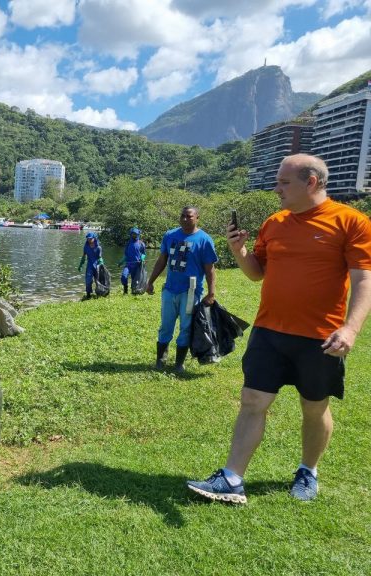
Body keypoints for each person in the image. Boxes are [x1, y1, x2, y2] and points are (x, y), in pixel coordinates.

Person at [187, 154, 371, 504]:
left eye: (284, 182)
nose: (277, 189)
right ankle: (232, 478)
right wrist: (239, 250)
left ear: (311, 182)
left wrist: (351, 329)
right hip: (270, 331)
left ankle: (308, 470)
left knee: (314, 407)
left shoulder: (351, 222)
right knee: (253, 400)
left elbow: (364, 279)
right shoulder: (275, 223)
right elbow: (257, 272)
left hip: (321, 337)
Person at [146, 207, 217, 373]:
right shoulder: (170, 235)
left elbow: (210, 269)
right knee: (166, 326)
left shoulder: (204, 240)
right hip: (170, 290)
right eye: (183, 215)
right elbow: (162, 260)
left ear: (197, 218)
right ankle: (160, 360)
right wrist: (150, 282)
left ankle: (179, 364)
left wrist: (211, 292)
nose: (185, 219)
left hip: (191, 291)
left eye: (189, 216)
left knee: (186, 327)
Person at [118, 227, 146, 294]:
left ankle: (133, 291)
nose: (134, 235)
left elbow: (144, 254)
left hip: (137, 266)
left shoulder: (141, 244)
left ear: (138, 234)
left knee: (134, 280)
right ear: (130, 234)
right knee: (124, 276)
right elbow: (126, 255)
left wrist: (142, 258)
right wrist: (121, 262)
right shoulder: (128, 243)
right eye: (132, 234)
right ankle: (125, 290)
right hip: (128, 265)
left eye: (135, 234)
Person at [78, 232, 103, 299]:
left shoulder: (98, 247)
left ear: (94, 238)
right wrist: (80, 265)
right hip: (89, 265)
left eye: (90, 238)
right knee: (88, 280)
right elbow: (84, 256)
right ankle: (88, 294)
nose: (89, 240)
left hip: (97, 265)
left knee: (98, 280)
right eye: (88, 238)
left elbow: (100, 257)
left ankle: (99, 294)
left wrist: (101, 263)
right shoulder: (86, 247)